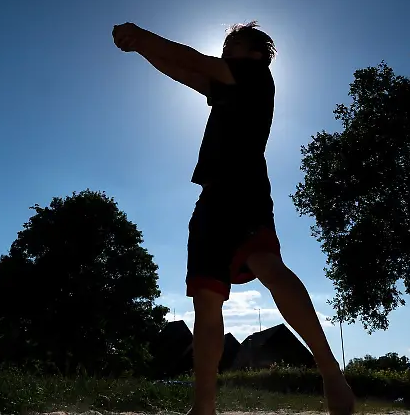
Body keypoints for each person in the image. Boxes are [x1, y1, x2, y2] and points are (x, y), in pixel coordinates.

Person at [112, 21, 355, 415]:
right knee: (206, 301)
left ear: (256, 55)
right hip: (210, 199)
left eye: (234, 44)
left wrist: (141, 35)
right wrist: (142, 50)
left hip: (244, 188)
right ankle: (203, 407)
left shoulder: (256, 74)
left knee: (270, 269)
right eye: (225, 45)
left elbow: (192, 59)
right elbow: (183, 71)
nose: (226, 50)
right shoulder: (226, 87)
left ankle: (330, 373)